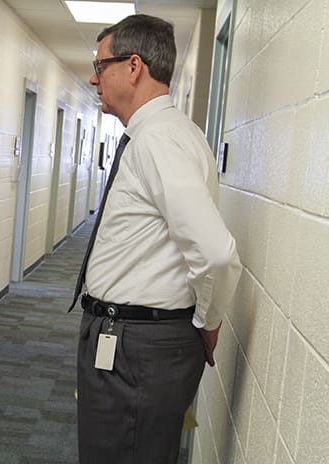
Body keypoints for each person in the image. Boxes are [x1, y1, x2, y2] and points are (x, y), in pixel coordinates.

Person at [69, 15, 242, 464]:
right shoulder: (155, 136)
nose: (93, 77)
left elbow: (217, 254)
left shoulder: (160, 140)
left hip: (138, 350)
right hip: (130, 343)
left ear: (133, 66)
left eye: (100, 65)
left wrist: (208, 321)